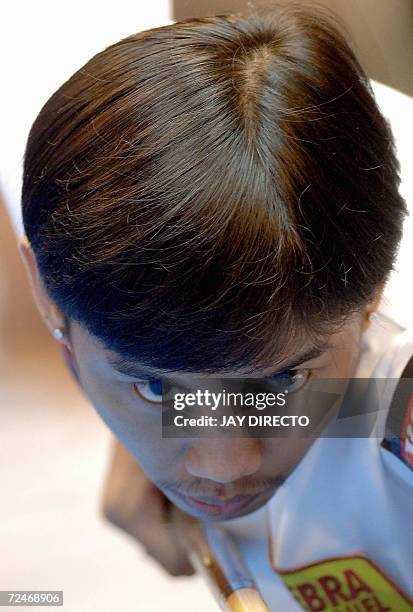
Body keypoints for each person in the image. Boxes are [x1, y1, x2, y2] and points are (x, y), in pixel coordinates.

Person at [19, 6, 413, 608]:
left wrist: (150, 403)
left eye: (282, 378)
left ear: (373, 296)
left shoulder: (388, 400)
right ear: (47, 298)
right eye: (154, 385)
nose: (223, 464)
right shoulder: (83, 244)